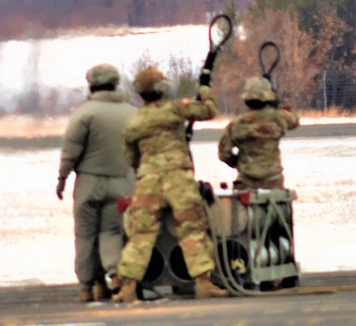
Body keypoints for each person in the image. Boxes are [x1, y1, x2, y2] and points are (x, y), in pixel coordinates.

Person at [113, 65, 227, 303]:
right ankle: (203, 282)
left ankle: (127, 286)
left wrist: (144, 171)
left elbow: (129, 157)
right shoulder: (175, 109)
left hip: (149, 181)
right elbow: (208, 111)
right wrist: (205, 88)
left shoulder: (134, 121)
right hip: (178, 178)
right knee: (192, 229)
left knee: (141, 234)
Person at [56, 63, 136, 303]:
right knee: (112, 231)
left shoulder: (84, 114)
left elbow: (71, 149)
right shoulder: (131, 113)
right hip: (122, 180)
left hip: (89, 181)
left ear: (91, 85)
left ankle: (88, 286)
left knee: (85, 234)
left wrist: (62, 177)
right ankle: (113, 273)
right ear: (116, 84)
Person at [218, 75, 299, 190]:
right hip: (273, 182)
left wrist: (239, 163)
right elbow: (294, 120)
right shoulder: (278, 117)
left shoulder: (236, 124)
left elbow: (224, 153)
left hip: (246, 183)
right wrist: (277, 102)